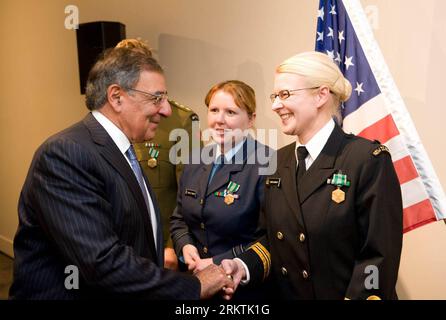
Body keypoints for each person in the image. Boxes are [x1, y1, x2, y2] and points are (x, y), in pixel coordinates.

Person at [9, 45, 232, 299]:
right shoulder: (65, 153)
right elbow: (101, 262)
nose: (167, 110)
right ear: (116, 97)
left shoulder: (121, 151)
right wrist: (196, 286)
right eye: (156, 98)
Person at [222, 51, 403, 300]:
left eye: (285, 95)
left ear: (321, 95)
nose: (275, 105)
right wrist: (242, 266)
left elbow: (377, 258)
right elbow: (272, 240)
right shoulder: (277, 162)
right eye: (274, 96)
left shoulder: (367, 160)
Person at [170, 80, 271, 299]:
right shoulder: (195, 160)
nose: (219, 120)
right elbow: (179, 219)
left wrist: (216, 262)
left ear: (251, 119)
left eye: (231, 112)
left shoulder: (267, 163)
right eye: (214, 110)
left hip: (241, 289)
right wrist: (185, 247)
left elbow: (268, 237)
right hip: (193, 282)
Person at [116, 39, 200, 271]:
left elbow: (190, 191)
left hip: (160, 249)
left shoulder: (179, 120)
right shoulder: (107, 120)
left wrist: (173, 245)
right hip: (116, 248)